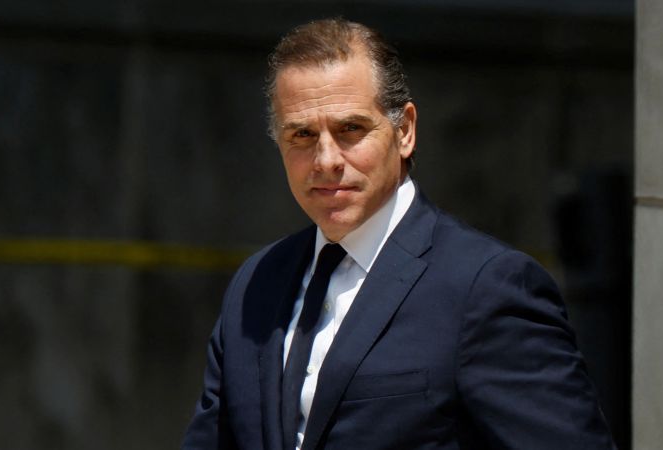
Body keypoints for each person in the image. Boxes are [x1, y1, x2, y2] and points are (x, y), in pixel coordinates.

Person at [182, 18, 615, 450]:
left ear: (404, 131)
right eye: (303, 134)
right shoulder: (256, 283)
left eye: (351, 129)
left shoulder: (485, 288)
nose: (326, 160)